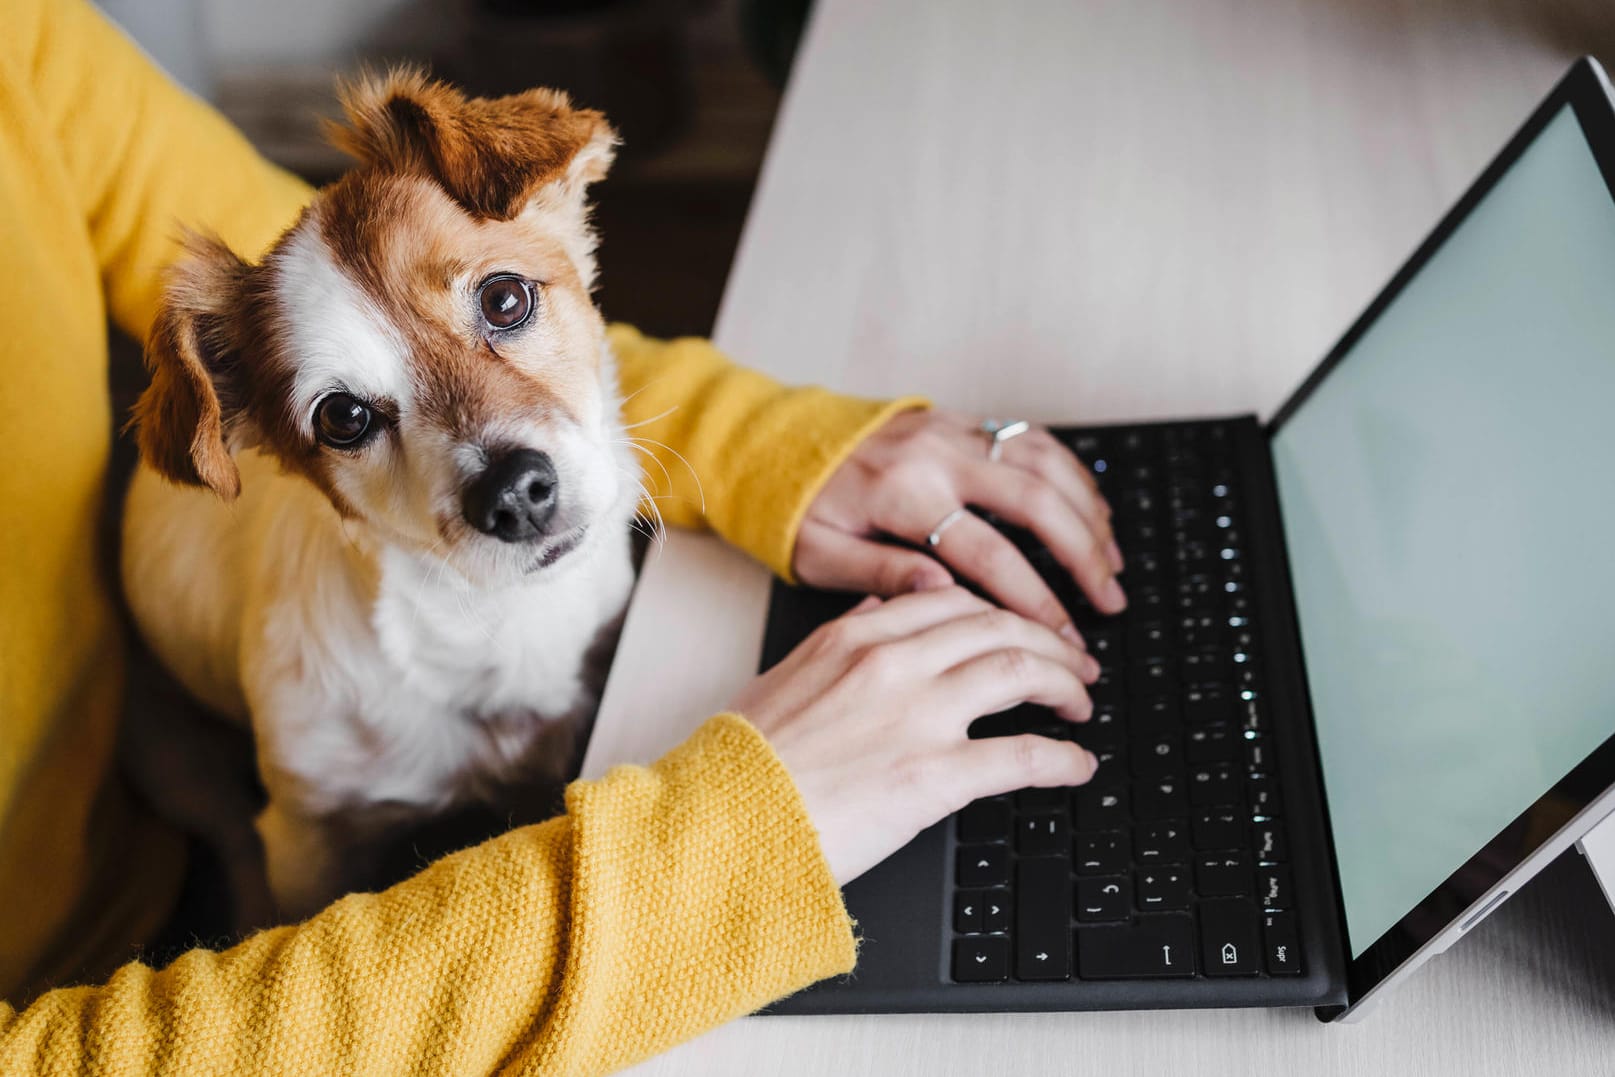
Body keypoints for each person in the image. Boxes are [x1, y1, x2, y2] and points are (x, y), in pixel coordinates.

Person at [0, 0, 1124, 1072]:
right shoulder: (315, 698)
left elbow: (331, 246)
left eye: (501, 306)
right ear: (261, 447)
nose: (503, 471)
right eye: (349, 419)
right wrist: (713, 851)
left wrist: (780, 444)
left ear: (564, 204)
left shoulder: (26, 46)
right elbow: (313, 872)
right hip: (144, 932)